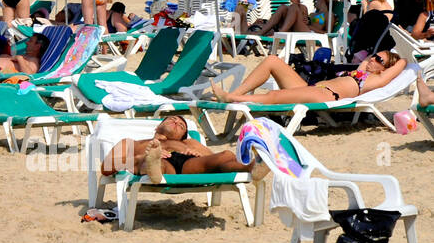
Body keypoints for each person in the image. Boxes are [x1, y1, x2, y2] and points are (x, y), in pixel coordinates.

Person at [100, 114, 267, 184]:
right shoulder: (132, 143)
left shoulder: (189, 143)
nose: (176, 122)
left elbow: (212, 161)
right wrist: (138, 157)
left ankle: (253, 167)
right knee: (152, 160)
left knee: (225, 155)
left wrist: (198, 154)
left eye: (181, 125)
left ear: (183, 135)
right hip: (155, 164)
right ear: (158, 125)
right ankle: (152, 164)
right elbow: (106, 167)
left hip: (186, 165)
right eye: (172, 119)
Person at [209, 50, 406, 106]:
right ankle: (234, 94)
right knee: (271, 60)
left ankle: (232, 99)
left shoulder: (375, 80)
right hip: (311, 87)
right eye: (374, 55)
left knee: (275, 95)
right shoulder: (361, 72)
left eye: (379, 59)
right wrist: (375, 59)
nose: (372, 59)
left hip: (326, 95)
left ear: (384, 68)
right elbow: (366, 62)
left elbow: (403, 63)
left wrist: (397, 58)